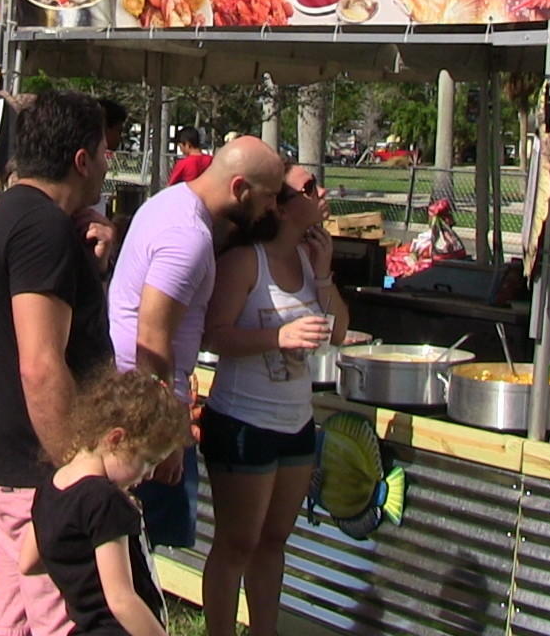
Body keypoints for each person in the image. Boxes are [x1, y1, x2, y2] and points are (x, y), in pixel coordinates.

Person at [0, 89, 115, 636]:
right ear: (80, 159)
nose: (107, 163)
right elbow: (40, 365)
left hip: (7, 463)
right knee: (60, 616)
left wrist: (89, 271)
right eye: (103, 151)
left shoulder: (12, 218)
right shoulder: (41, 230)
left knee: (15, 607)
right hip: (38, 467)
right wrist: (75, 468)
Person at [108, 136, 286, 550]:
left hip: (133, 399)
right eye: (269, 197)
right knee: (137, 553)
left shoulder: (171, 204)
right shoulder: (187, 236)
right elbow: (151, 337)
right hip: (142, 412)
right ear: (240, 188)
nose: (272, 208)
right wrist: (167, 433)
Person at [199, 164, 348, 636]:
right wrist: (277, 336)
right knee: (237, 543)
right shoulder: (247, 261)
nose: (321, 193)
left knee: (273, 541)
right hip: (244, 421)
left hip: (295, 423)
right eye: (309, 188)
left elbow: (339, 332)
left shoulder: (308, 258)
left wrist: (323, 277)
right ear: (280, 207)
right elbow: (214, 335)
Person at [20, 369, 192, 636]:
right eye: (148, 461)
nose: (149, 474)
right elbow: (122, 601)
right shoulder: (105, 502)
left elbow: (29, 561)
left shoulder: (51, 487)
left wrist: (78, 564)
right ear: (116, 438)